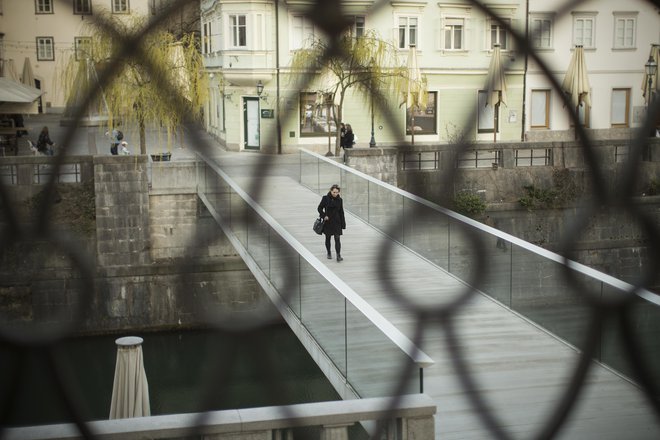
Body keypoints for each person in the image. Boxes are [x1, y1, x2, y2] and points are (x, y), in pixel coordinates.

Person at [317, 184, 346, 262]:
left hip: (337, 222)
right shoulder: (325, 198)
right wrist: (324, 216)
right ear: (330, 191)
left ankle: (338, 255)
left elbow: (341, 212)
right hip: (328, 221)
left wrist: (343, 224)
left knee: (337, 238)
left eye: (337, 192)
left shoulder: (340, 200)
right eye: (333, 192)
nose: (335, 194)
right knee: (328, 238)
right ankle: (329, 252)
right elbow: (319, 208)